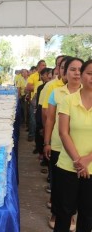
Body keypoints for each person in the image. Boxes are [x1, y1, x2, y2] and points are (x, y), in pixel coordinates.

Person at [44, 57, 83, 231]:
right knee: (59, 185)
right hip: (58, 146)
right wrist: (47, 142)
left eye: (79, 70)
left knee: (76, 187)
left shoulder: (87, 93)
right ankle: (57, 213)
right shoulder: (57, 93)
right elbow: (50, 119)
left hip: (80, 149)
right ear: (64, 72)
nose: (76, 73)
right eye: (72, 69)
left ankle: (71, 216)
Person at [54, 59, 92, 232]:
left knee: (88, 215)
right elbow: (63, 132)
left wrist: (87, 160)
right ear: (82, 75)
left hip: (91, 168)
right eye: (89, 73)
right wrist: (78, 160)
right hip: (68, 166)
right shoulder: (68, 100)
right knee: (64, 213)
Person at [26, 59, 47, 142]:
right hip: (34, 100)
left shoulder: (48, 75)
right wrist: (38, 88)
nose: (45, 67)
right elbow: (28, 87)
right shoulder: (33, 76)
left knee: (41, 120)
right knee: (33, 119)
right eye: (43, 65)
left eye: (45, 65)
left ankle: (40, 137)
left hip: (45, 100)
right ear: (38, 66)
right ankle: (31, 134)